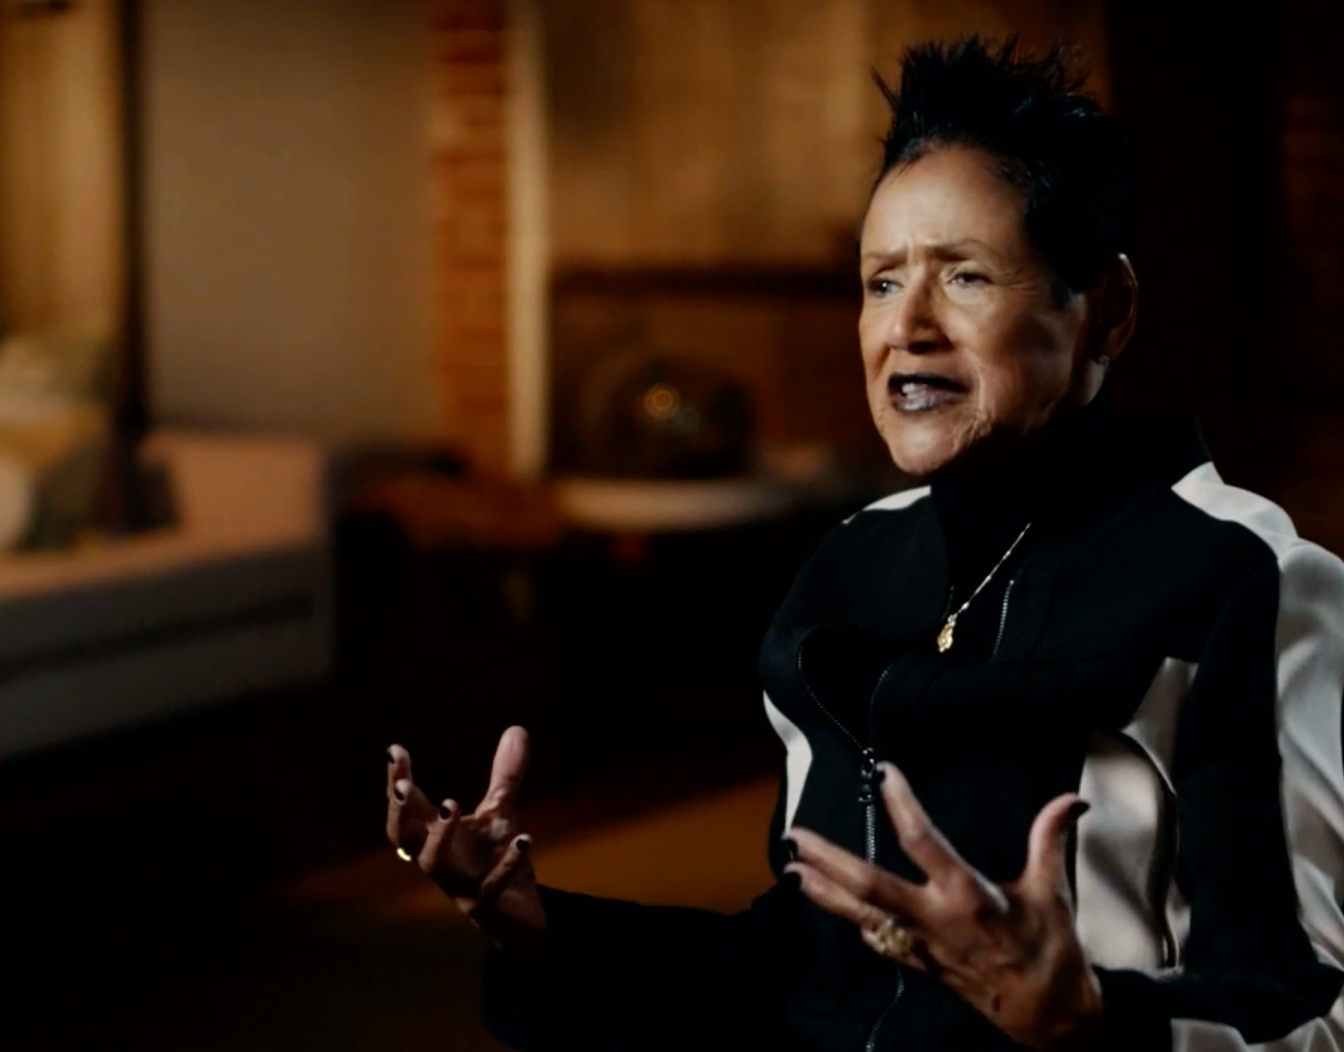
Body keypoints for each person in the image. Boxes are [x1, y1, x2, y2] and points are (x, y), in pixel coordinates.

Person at [385, 38, 1344, 1051]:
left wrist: (1094, 1024)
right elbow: (807, 966)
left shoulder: (1246, 581)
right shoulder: (850, 569)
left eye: (965, 275)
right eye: (881, 282)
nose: (908, 327)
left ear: (1106, 310)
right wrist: (539, 928)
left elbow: (1315, 1009)